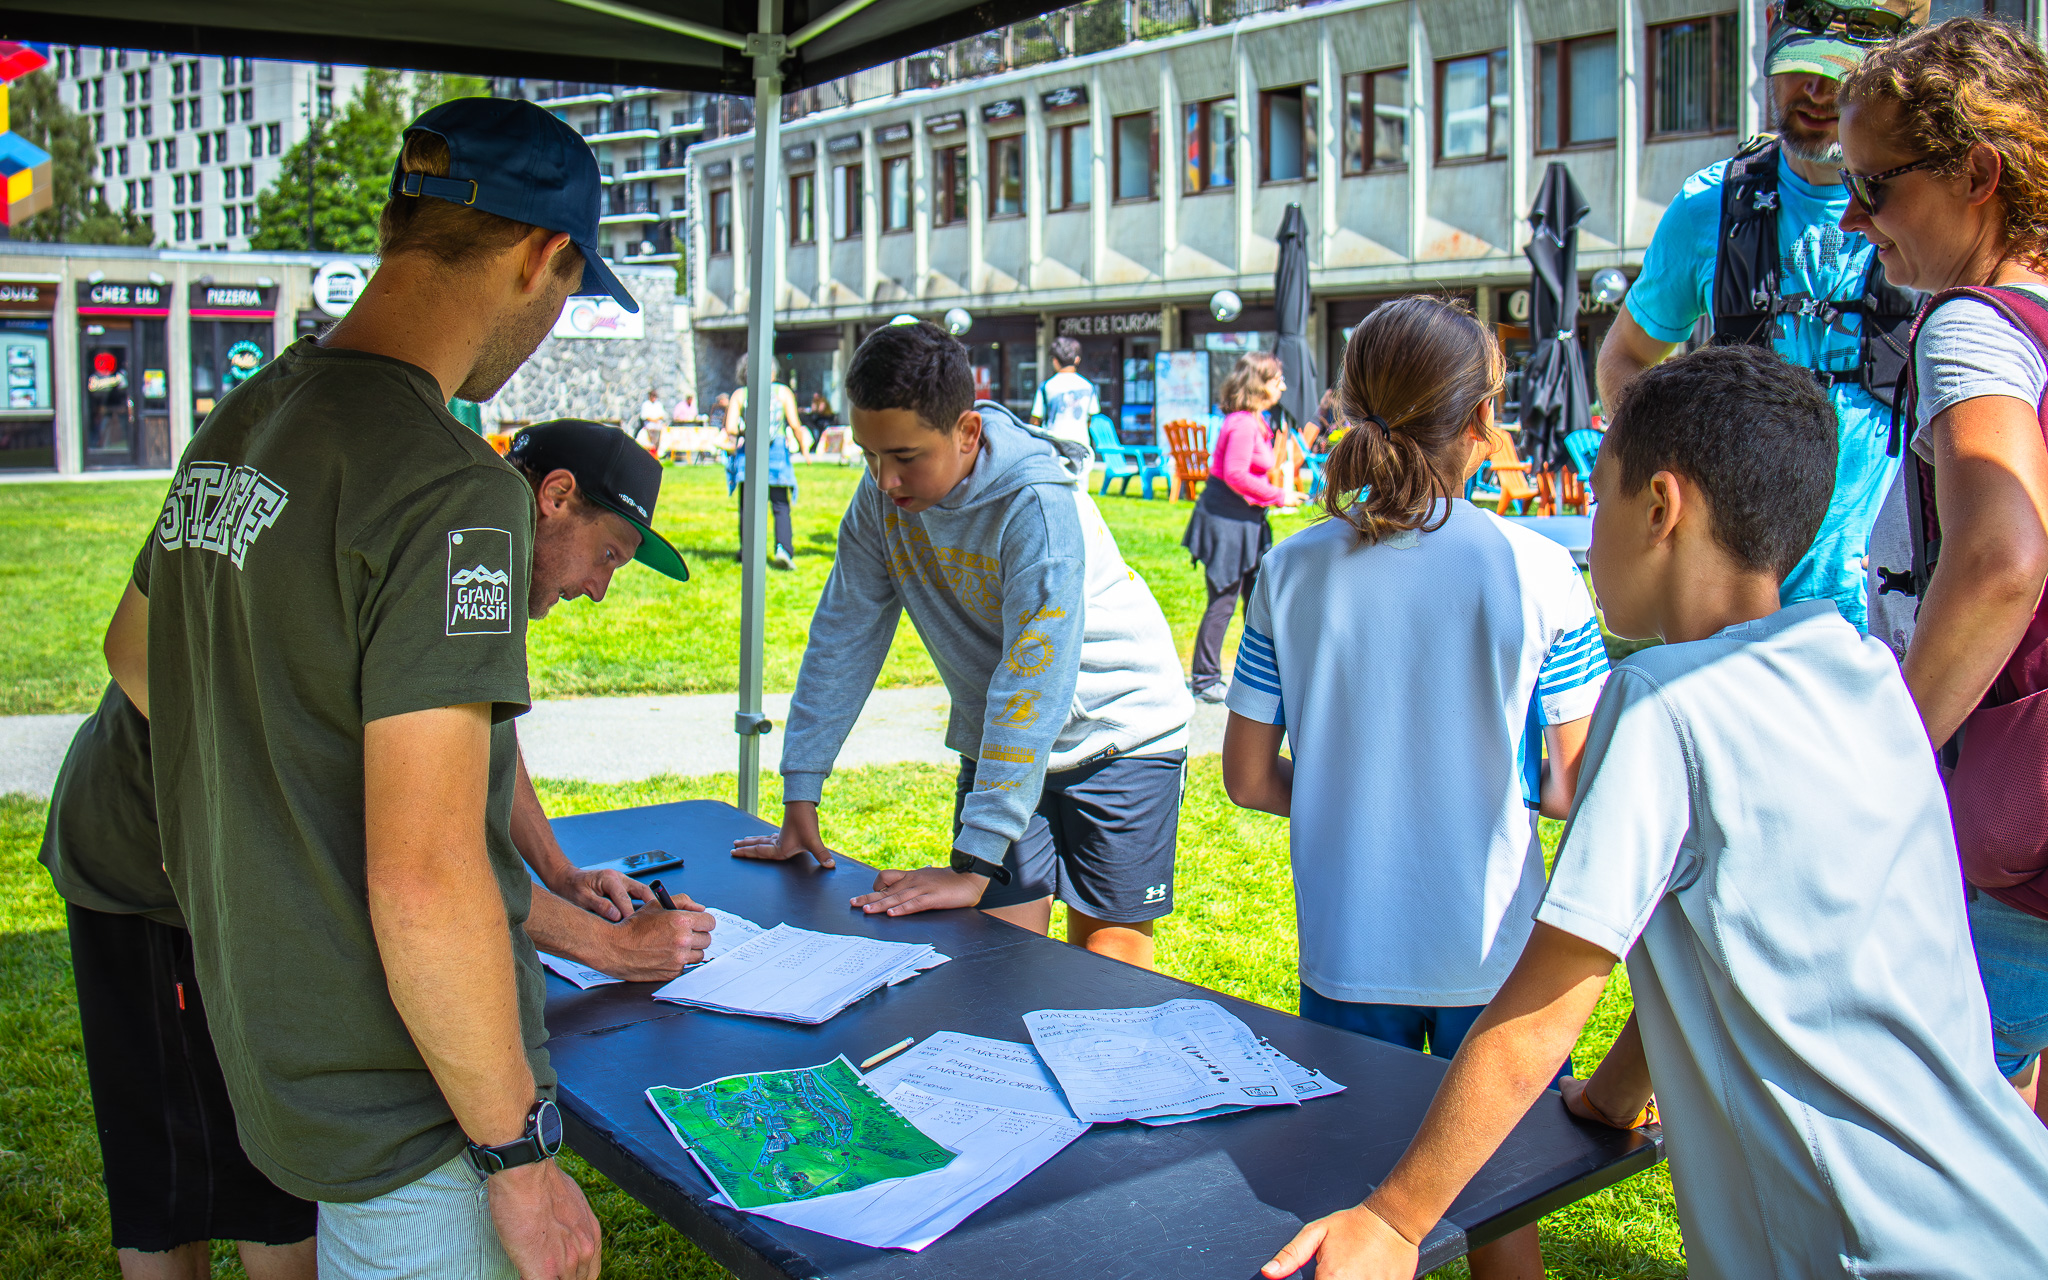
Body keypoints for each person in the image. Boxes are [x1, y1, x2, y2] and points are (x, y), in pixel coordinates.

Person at [1261, 342, 2048, 1280]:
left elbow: (1549, 1004)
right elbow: (1735, 939)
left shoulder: (1663, 703)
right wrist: (1613, 1093)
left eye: (1598, 497)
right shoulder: (1869, 670)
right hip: (2001, 1207)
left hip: (1856, 1247)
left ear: (1661, 508)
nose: (1585, 533)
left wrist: (1395, 1221)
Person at [100, 98, 665, 1280]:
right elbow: (424, 871)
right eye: (566, 290)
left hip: (281, 1029)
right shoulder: (452, 484)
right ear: (542, 256)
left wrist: (279, 811)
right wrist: (520, 1159)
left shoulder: (255, 411)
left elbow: (137, 653)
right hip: (413, 1091)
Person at [46, 417, 710, 1280]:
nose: (598, 590)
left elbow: (477, 744)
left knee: (283, 1167)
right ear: (555, 500)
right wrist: (609, 947)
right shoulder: (445, 533)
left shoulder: (470, 552)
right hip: (154, 869)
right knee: (180, 1171)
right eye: (609, 557)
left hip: (261, 871)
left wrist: (559, 870)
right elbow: (418, 862)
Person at [1221, 296, 1606, 1280]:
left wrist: (1355, 790)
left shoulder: (1292, 567)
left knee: (1352, 1215)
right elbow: (1574, 784)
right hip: (1493, 956)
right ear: (1480, 419)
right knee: (1498, 1205)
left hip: (1346, 945)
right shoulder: (1539, 569)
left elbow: (1247, 775)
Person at [731, 320, 1193, 970]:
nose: (885, 480)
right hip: (1002, 737)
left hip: (1118, 732)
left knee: (1105, 964)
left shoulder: (1037, 506)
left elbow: (1035, 680)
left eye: (906, 457)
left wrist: (976, 864)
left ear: (967, 433)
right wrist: (801, 789)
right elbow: (844, 632)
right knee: (1001, 958)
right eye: (870, 455)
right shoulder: (880, 499)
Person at [1841, 16, 2048, 1125]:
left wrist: (1890, 753)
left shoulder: (1967, 326)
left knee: (1926, 1127)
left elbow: (2000, 554)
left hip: (2014, 822)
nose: (1851, 215)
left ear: (1976, 173)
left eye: (1873, 187)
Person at [1596, 0, 1926, 633]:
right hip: (1747, 605)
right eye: (1800, 67)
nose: (1818, 90)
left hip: (1900, 599)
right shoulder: (1709, 207)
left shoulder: (1923, 202)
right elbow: (1624, 356)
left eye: (1842, 73)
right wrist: (1669, 476)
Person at [1182, 351, 1302, 703]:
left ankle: (1267, 674)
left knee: (1258, 601)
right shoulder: (1243, 423)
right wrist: (1278, 495)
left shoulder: (1255, 420)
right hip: (1227, 522)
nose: (1282, 384)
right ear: (1259, 384)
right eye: (1276, 378)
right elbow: (1235, 474)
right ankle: (1204, 681)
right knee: (1223, 599)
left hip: (1246, 522)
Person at [725, 355, 805, 569]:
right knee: (780, 505)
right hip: (777, 452)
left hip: (749, 453)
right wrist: (804, 450)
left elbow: (731, 428)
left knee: (748, 506)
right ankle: (783, 549)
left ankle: (748, 551)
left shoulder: (740, 395)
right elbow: (795, 424)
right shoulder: (782, 392)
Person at [1029, 335, 1101, 459]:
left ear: (1055, 361)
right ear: (1077, 360)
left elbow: (1036, 419)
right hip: (1081, 444)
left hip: (1053, 445)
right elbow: (1092, 418)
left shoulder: (1046, 386)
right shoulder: (1088, 386)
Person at [636, 387, 668, 452]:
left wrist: (657, 420)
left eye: (655, 396)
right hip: (649, 426)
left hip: (658, 427)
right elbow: (644, 416)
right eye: (652, 396)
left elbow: (662, 415)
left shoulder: (658, 404)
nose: (654, 397)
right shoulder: (646, 404)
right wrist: (653, 420)